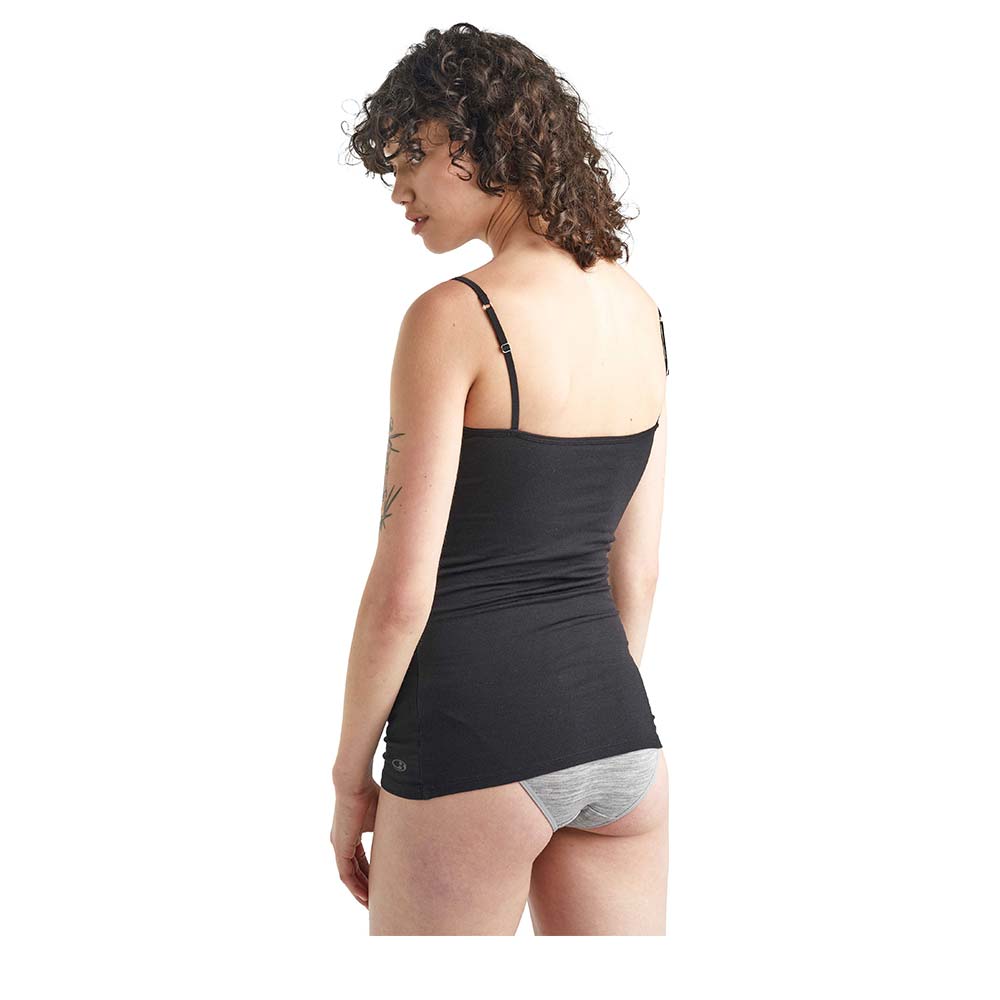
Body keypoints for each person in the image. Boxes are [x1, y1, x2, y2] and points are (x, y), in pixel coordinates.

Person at [332, 23, 671, 935]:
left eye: (415, 155)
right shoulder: (640, 310)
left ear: (487, 143)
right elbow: (635, 573)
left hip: (474, 736)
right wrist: (580, 723)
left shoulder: (455, 316)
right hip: (620, 740)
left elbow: (401, 595)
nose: (399, 188)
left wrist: (349, 779)